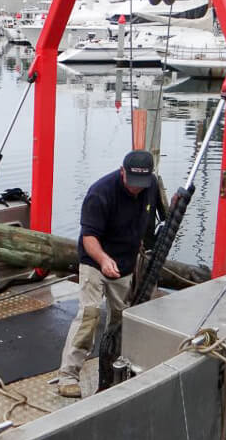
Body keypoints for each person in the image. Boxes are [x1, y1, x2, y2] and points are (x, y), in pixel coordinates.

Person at [57, 149, 160, 398]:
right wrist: (103, 260)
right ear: (122, 171)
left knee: (120, 319)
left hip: (125, 263)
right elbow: (89, 236)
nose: (136, 189)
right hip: (95, 260)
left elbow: (156, 221)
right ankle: (68, 375)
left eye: (141, 184)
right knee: (89, 316)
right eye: (131, 183)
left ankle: (112, 367)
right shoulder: (100, 193)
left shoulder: (151, 186)